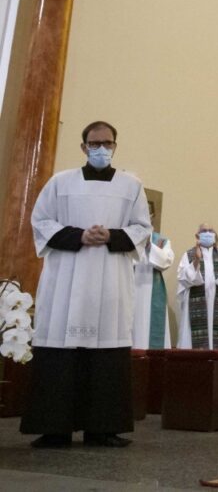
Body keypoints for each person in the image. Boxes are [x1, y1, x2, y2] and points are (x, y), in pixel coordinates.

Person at [22, 121, 151, 448]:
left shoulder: (130, 186)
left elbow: (142, 228)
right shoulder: (59, 182)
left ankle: (103, 429)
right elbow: (40, 221)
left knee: (107, 349)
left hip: (110, 278)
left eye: (108, 143)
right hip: (66, 275)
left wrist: (111, 235)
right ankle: (54, 428)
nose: (101, 149)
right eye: (95, 144)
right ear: (83, 147)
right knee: (59, 348)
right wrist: (79, 234)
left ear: (115, 146)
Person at [176, 225, 218, 349]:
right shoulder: (188, 255)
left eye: (210, 231)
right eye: (203, 231)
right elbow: (184, 279)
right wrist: (196, 260)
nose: (207, 233)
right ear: (197, 236)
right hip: (196, 304)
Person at [133, 227, 174, 349]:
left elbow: (166, 261)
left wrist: (149, 246)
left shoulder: (161, 241)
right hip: (131, 287)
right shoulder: (128, 237)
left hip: (152, 288)